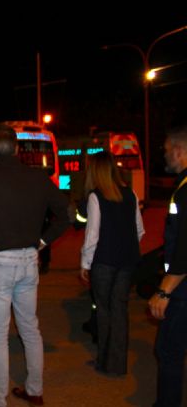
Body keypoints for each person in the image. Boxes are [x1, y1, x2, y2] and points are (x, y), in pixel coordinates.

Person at [0, 124, 71, 407]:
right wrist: (42, 242)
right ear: (18, 148)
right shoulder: (38, 178)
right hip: (28, 261)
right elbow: (66, 214)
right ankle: (34, 391)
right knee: (30, 328)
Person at [79, 151, 144, 376]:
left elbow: (92, 235)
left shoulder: (96, 197)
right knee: (120, 310)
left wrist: (85, 264)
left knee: (105, 311)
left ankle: (103, 362)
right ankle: (118, 364)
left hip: (104, 262)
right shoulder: (131, 194)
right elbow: (139, 230)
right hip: (127, 262)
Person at [149, 125, 187, 407]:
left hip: (183, 290)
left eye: (166, 150)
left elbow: (185, 246)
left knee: (169, 351)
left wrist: (164, 290)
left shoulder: (185, 191)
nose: (164, 156)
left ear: (179, 150)